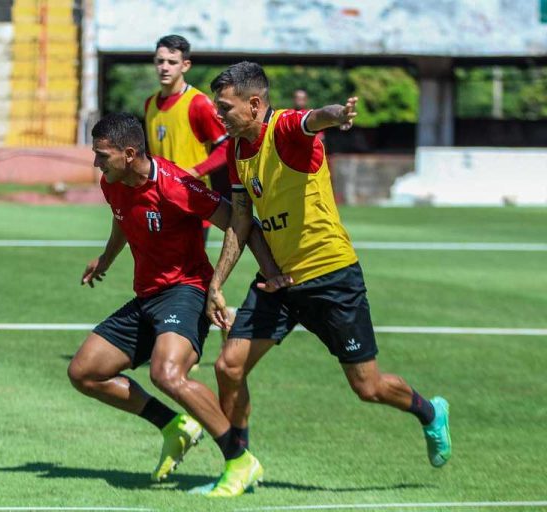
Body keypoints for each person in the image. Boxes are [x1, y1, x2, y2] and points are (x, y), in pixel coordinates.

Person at [203, 62, 451, 492]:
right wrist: (216, 282)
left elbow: (313, 119)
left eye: (225, 107)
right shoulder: (236, 151)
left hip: (331, 276)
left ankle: (430, 413)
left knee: (368, 386)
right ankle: (239, 464)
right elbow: (241, 219)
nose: (219, 115)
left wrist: (337, 114)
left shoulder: (284, 130)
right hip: (278, 282)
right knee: (228, 366)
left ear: (255, 104)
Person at [68, 112, 282, 497]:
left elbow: (237, 221)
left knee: (167, 373)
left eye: (102, 155)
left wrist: (249, 276)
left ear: (129, 153)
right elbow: (122, 219)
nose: (96, 163)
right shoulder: (112, 182)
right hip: (147, 295)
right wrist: (106, 259)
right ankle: (174, 426)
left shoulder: (176, 184)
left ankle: (240, 459)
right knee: (83, 372)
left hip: (186, 291)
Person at [144, 34, 231, 244]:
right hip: (160, 201)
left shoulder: (198, 103)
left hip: (193, 201)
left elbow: (227, 146)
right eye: (160, 61)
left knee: (191, 274)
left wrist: (194, 172)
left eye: (172, 62)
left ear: (185, 65)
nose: (165, 67)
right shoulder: (149, 104)